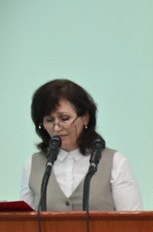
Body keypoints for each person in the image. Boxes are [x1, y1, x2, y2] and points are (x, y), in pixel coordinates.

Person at [21, 79, 142, 211]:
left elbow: (132, 220)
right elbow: (23, 221)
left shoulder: (115, 162)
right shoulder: (32, 165)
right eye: (49, 120)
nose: (56, 128)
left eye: (64, 118)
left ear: (85, 118)